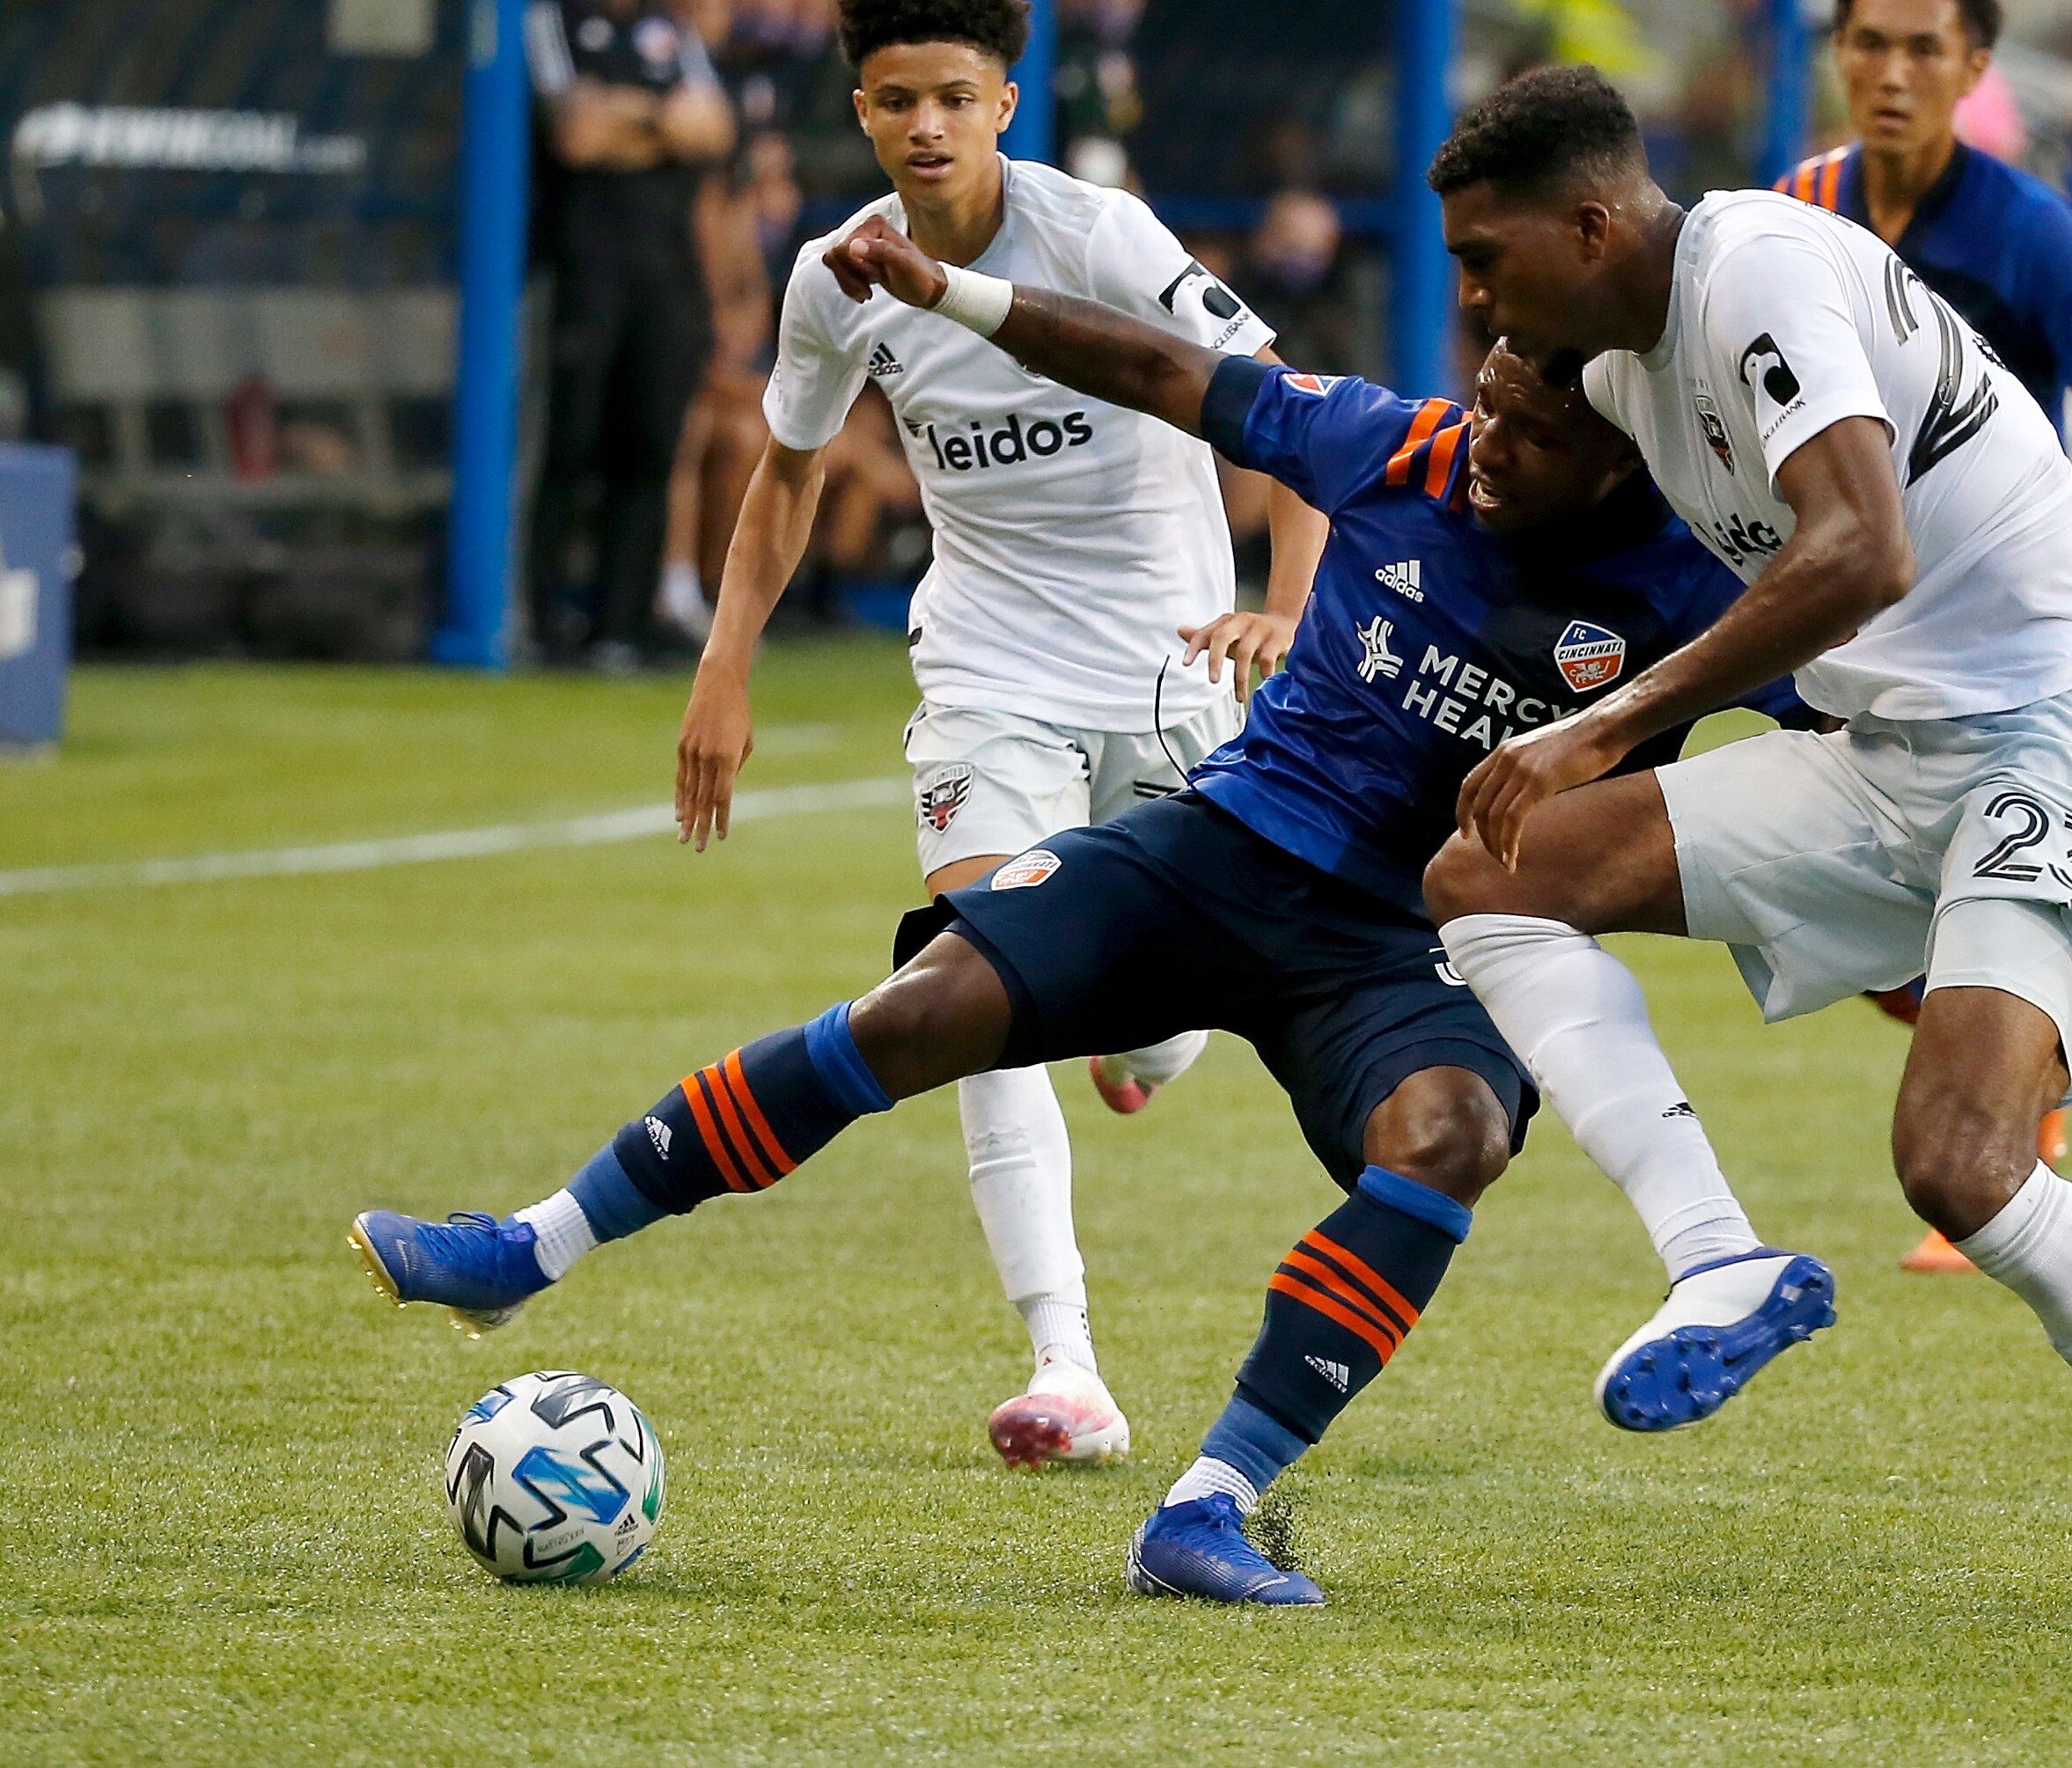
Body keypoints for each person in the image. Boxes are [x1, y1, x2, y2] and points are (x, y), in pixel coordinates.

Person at [349, 242, 1834, 1604]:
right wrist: (953, 294)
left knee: (1450, 1132)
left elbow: (1850, 725)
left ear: (1625, 459)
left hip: (1405, 944)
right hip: (1216, 846)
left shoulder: (1699, 589)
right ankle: (522, 1247)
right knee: (918, 1009)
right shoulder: (1397, 444)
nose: (1484, 445)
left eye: (1527, 436)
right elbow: (1154, 369)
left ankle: (1207, 1505)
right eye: (1485, 401)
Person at [1415, 66, 2072, 1638]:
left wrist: (1590, 729)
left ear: (1587, 223)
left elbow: (1856, 546)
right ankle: (1714, 1259)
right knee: (1483, 878)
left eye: (1488, 261)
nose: (1476, 301)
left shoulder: (1755, 267)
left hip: (2063, 729)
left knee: (1956, 1164)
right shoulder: (1621, 374)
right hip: (1882, 756)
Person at [665, 0, 1334, 1471]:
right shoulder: (835, 277)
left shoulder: (1100, 239)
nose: (924, 127)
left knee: (1155, 1022)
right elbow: (781, 477)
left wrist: (1283, 611)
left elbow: (1285, 417)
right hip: (986, 668)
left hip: (1168, 672)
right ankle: (1064, 1359)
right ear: (857, 109)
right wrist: (725, 666)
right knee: (971, 981)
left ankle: (1152, 1043)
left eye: (952, 97)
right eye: (894, 99)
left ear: (1007, 102)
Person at [1776, 0, 2072, 1258]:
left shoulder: (2024, 228)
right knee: (1825, 894)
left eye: (1922, 50)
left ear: (1972, 69)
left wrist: (2047, 541)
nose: (1891, 74)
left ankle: (2009, 1136)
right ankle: (2008, 1088)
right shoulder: (1796, 207)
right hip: (1844, 613)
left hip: (1995, 645)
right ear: (1836, 54)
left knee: (1981, 877)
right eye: (1868, 45)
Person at [524, 0, 738, 672]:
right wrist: (661, 118)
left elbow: (714, 129)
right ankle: (541, 619)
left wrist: (624, 117)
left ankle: (621, 626)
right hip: (585, 270)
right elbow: (577, 136)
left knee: (651, 449)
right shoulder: (550, 21)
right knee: (569, 444)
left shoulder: (671, 30)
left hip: (667, 275)